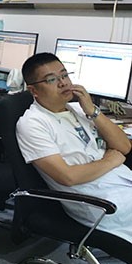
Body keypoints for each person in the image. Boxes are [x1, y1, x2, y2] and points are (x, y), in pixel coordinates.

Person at [16, 53, 132, 244]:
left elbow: (124, 147)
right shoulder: (32, 123)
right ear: (33, 90)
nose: (63, 83)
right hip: (97, 201)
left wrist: (92, 110)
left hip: (119, 183)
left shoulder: (79, 109)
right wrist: (110, 160)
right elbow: (67, 177)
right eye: (51, 79)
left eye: (64, 75)